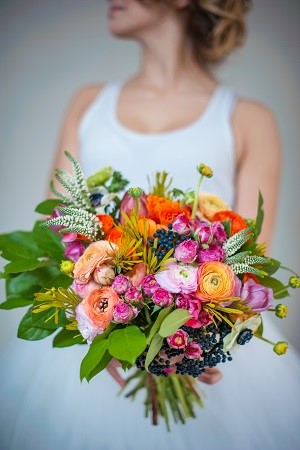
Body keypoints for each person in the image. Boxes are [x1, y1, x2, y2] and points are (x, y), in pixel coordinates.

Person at [0, 1, 299, 449]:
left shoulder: (247, 120)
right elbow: (61, 226)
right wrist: (108, 323)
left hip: (199, 338)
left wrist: (189, 339)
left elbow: (249, 255)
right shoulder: (87, 103)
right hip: (96, 331)